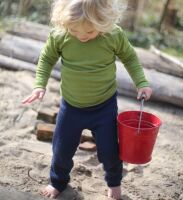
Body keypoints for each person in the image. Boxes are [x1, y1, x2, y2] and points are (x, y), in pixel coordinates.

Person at [22, 0, 152, 199]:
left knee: (109, 151)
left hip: (104, 107)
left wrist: (141, 82)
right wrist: (40, 84)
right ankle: (58, 181)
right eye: (75, 30)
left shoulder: (113, 34)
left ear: (104, 22)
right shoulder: (60, 34)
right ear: (65, 22)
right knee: (61, 150)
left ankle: (114, 184)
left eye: (90, 32)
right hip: (71, 107)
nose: (82, 36)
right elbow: (47, 58)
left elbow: (130, 57)